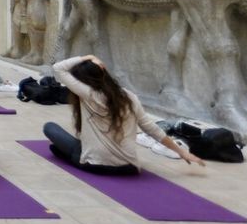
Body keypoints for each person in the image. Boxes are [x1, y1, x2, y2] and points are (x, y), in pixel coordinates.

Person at [44, 55, 204, 174]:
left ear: (83, 82)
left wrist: (88, 57)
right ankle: (68, 154)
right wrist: (182, 152)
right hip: (128, 168)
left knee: (50, 128)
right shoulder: (129, 97)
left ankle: (69, 156)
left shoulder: (89, 95)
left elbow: (58, 67)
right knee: (66, 147)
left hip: (96, 166)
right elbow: (151, 128)